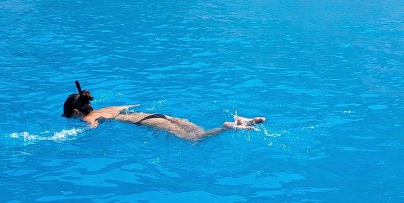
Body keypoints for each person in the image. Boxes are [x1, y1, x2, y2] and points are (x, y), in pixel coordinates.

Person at [61, 84, 265, 142]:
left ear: (77, 111)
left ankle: (227, 127)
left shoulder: (88, 117)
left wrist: (76, 133)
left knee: (196, 139)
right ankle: (239, 119)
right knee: (198, 131)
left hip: (149, 123)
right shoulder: (111, 108)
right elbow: (133, 104)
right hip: (161, 114)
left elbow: (92, 126)